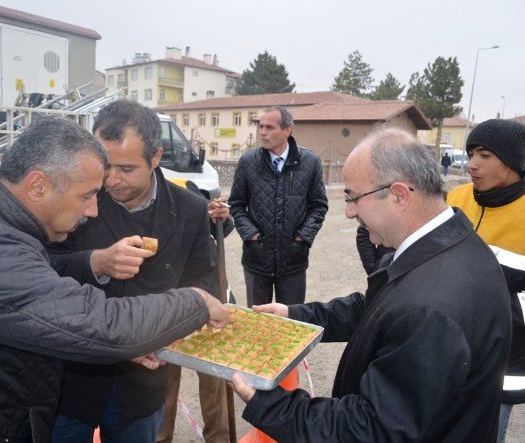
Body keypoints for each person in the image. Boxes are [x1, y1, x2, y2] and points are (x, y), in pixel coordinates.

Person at [0, 115, 230, 442]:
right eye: (86, 196)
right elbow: (97, 322)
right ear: (38, 185)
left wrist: (122, 346)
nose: (93, 210)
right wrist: (195, 301)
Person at [231, 127, 512, 442]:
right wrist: (295, 316)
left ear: (398, 194)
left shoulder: (431, 308)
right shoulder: (440, 243)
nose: (349, 212)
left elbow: (371, 429)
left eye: (353, 197)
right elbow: (380, 308)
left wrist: (270, 405)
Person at [47, 100, 220, 442]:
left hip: (142, 386)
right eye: (105, 165)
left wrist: (168, 329)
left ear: (156, 157)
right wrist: (95, 262)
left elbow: (201, 282)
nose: (111, 180)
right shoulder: (73, 197)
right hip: (71, 377)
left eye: (126, 169)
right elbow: (38, 268)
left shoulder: (191, 209)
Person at [446, 119, 525, 441]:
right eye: (471, 152)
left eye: (484, 155)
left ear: (513, 161)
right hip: (449, 351)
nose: (472, 164)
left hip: (503, 369)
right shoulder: (457, 199)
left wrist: (474, 311)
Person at [157, 179, 234, 443]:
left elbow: (216, 223)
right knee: (163, 379)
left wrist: (219, 216)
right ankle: (161, 437)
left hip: (206, 299)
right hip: (167, 302)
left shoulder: (183, 187)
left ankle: (219, 438)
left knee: (213, 376)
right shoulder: (138, 197)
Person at [228, 106, 328, 307]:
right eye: (261, 127)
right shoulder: (248, 162)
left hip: (293, 259)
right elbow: (236, 205)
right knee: (257, 321)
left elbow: (319, 205)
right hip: (257, 258)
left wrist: (302, 237)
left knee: (291, 320)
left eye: (269, 127)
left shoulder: (310, 162)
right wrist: (251, 235)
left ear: (287, 130)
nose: (262, 132)